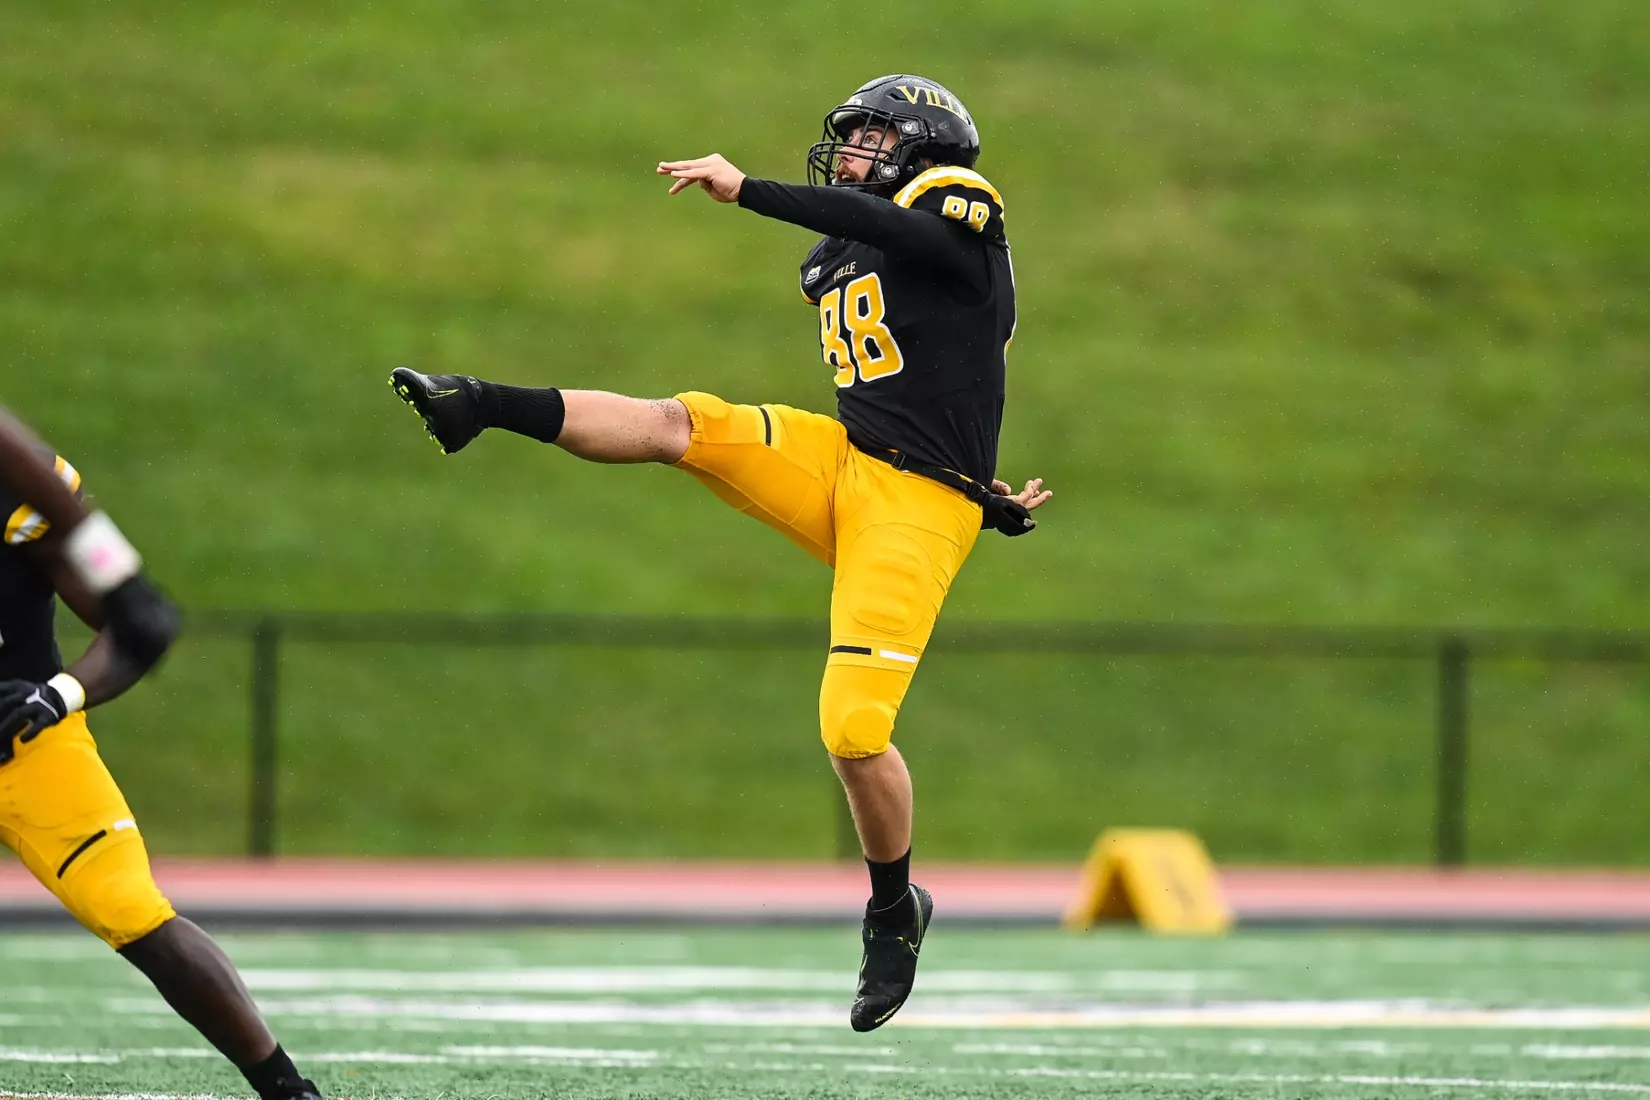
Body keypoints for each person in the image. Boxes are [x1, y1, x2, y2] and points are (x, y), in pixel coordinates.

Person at [390, 73, 1050, 1032]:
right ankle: (477, 403)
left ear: (921, 144)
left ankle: (892, 908)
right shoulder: (856, 245)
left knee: (853, 732)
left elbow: (921, 248)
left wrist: (751, 190)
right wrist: (978, 476)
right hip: (853, 460)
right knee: (684, 424)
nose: (854, 151)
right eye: (852, 136)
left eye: (871, 136)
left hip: (912, 504)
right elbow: (938, 376)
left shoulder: (956, 201)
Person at [0, 411, 324, 1100]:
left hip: (20, 744)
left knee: (133, 910)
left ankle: (286, 1088)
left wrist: (60, 694)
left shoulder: (21, 494)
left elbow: (133, 629)